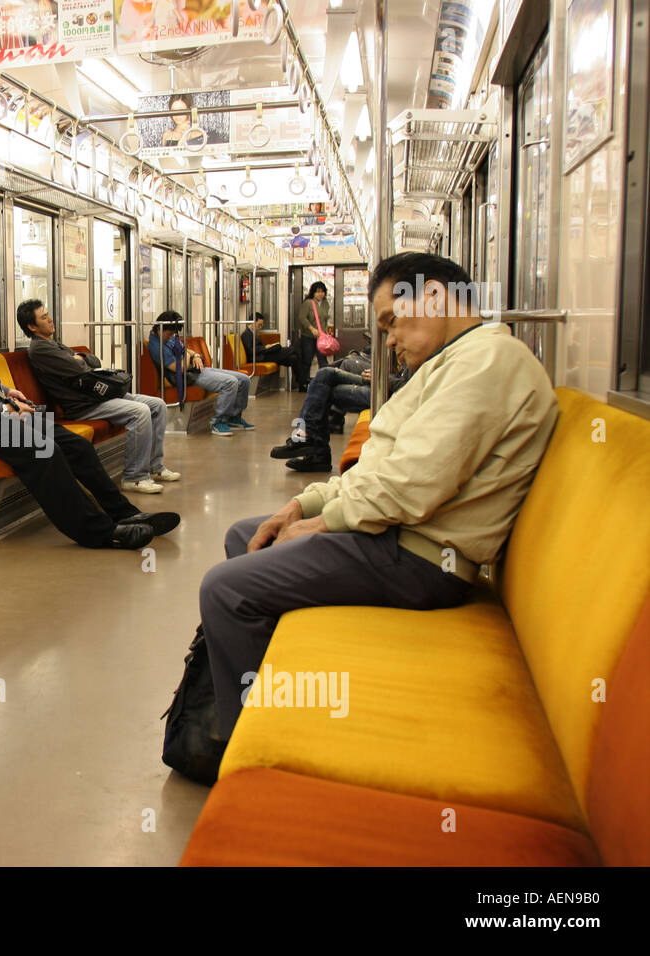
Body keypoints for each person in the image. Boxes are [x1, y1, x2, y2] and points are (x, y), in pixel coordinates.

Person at [189, 252, 558, 779]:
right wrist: (304, 504)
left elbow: (412, 485)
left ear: (432, 295)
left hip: (423, 557)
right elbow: (386, 470)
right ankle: (273, 694)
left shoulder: (488, 362)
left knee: (225, 589)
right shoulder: (455, 363)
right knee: (246, 533)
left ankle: (250, 756)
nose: (388, 341)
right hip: (399, 536)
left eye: (391, 323)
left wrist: (320, 525)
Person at [0, 286, 179, 549]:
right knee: (46, 451)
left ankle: (126, 513)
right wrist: (4, 410)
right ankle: (99, 532)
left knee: (77, 446)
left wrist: (8, 393)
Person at [20, 298, 179, 495]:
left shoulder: (53, 344)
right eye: (44, 317)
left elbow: (92, 361)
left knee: (158, 405)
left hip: (96, 397)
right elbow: (77, 366)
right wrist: (78, 360)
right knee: (140, 411)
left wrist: (80, 358)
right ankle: (134, 477)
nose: (50, 320)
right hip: (82, 405)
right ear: (32, 326)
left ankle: (156, 467)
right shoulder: (40, 349)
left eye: (48, 315)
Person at [269, 361, 411, 472]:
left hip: (388, 392)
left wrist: (382, 377)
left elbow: (408, 389)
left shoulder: (428, 356)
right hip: (386, 382)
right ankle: (311, 445)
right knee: (325, 374)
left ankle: (315, 450)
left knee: (323, 390)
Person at [147, 312, 254, 436]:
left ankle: (234, 417)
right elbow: (180, 367)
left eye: (173, 334)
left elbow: (187, 350)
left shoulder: (167, 338)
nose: (171, 336)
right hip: (186, 377)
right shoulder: (155, 345)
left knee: (244, 379)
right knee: (230, 382)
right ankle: (218, 422)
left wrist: (196, 355)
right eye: (169, 334)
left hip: (195, 369)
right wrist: (189, 355)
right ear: (159, 329)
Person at [294, 281, 331, 389]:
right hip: (308, 337)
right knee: (307, 360)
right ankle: (303, 383)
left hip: (321, 337)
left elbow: (324, 320)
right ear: (313, 293)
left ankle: (325, 382)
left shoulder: (325, 304)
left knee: (323, 361)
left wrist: (326, 332)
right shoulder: (308, 303)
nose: (320, 294)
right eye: (318, 292)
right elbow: (302, 317)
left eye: (322, 292)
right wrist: (311, 328)